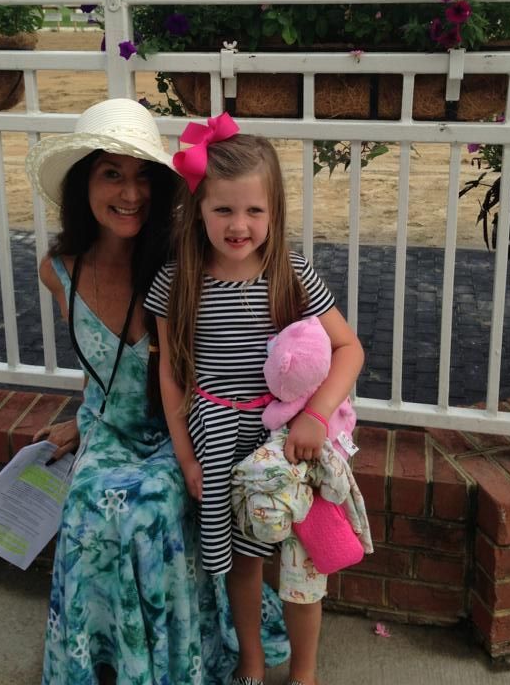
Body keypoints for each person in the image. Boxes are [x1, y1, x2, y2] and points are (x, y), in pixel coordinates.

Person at [25, 98, 288, 685]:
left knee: (152, 509)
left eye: (144, 175)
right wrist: (79, 417)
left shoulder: (188, 256)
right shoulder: (58, 270)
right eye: (111, 174)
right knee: (85, 509)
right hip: (107, 429)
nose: (131, 192)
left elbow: (238, 334)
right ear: (82, 183)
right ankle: (103, 657)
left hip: (185, 428)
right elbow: (99, 359)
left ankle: (173, 662)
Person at [145, 113, 364, 685]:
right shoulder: (178, 281)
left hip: (285, 445)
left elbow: (349, 349)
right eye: (223, 210)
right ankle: (251, 661)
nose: (238, 224)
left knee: (299, 561)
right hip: (217, 443)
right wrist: (188, 458)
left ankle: (306, 673)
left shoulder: (290, 275)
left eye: (253, 210)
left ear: (274, 212)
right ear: (198, 211)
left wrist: (315, 418)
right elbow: (171, 372)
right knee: (243, 562)